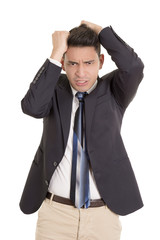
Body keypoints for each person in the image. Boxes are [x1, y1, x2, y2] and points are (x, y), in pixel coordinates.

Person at [19, 20, 144, 240]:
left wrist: (102, 32)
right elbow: (32, 107)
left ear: (101, 61)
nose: (81, 73)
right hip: (55, 215)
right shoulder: (55, 89)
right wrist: (56, 52)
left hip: (102, 216)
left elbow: (134, 67)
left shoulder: (114, 91)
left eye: (88, 62)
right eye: (73, 64)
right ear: (64, 64)